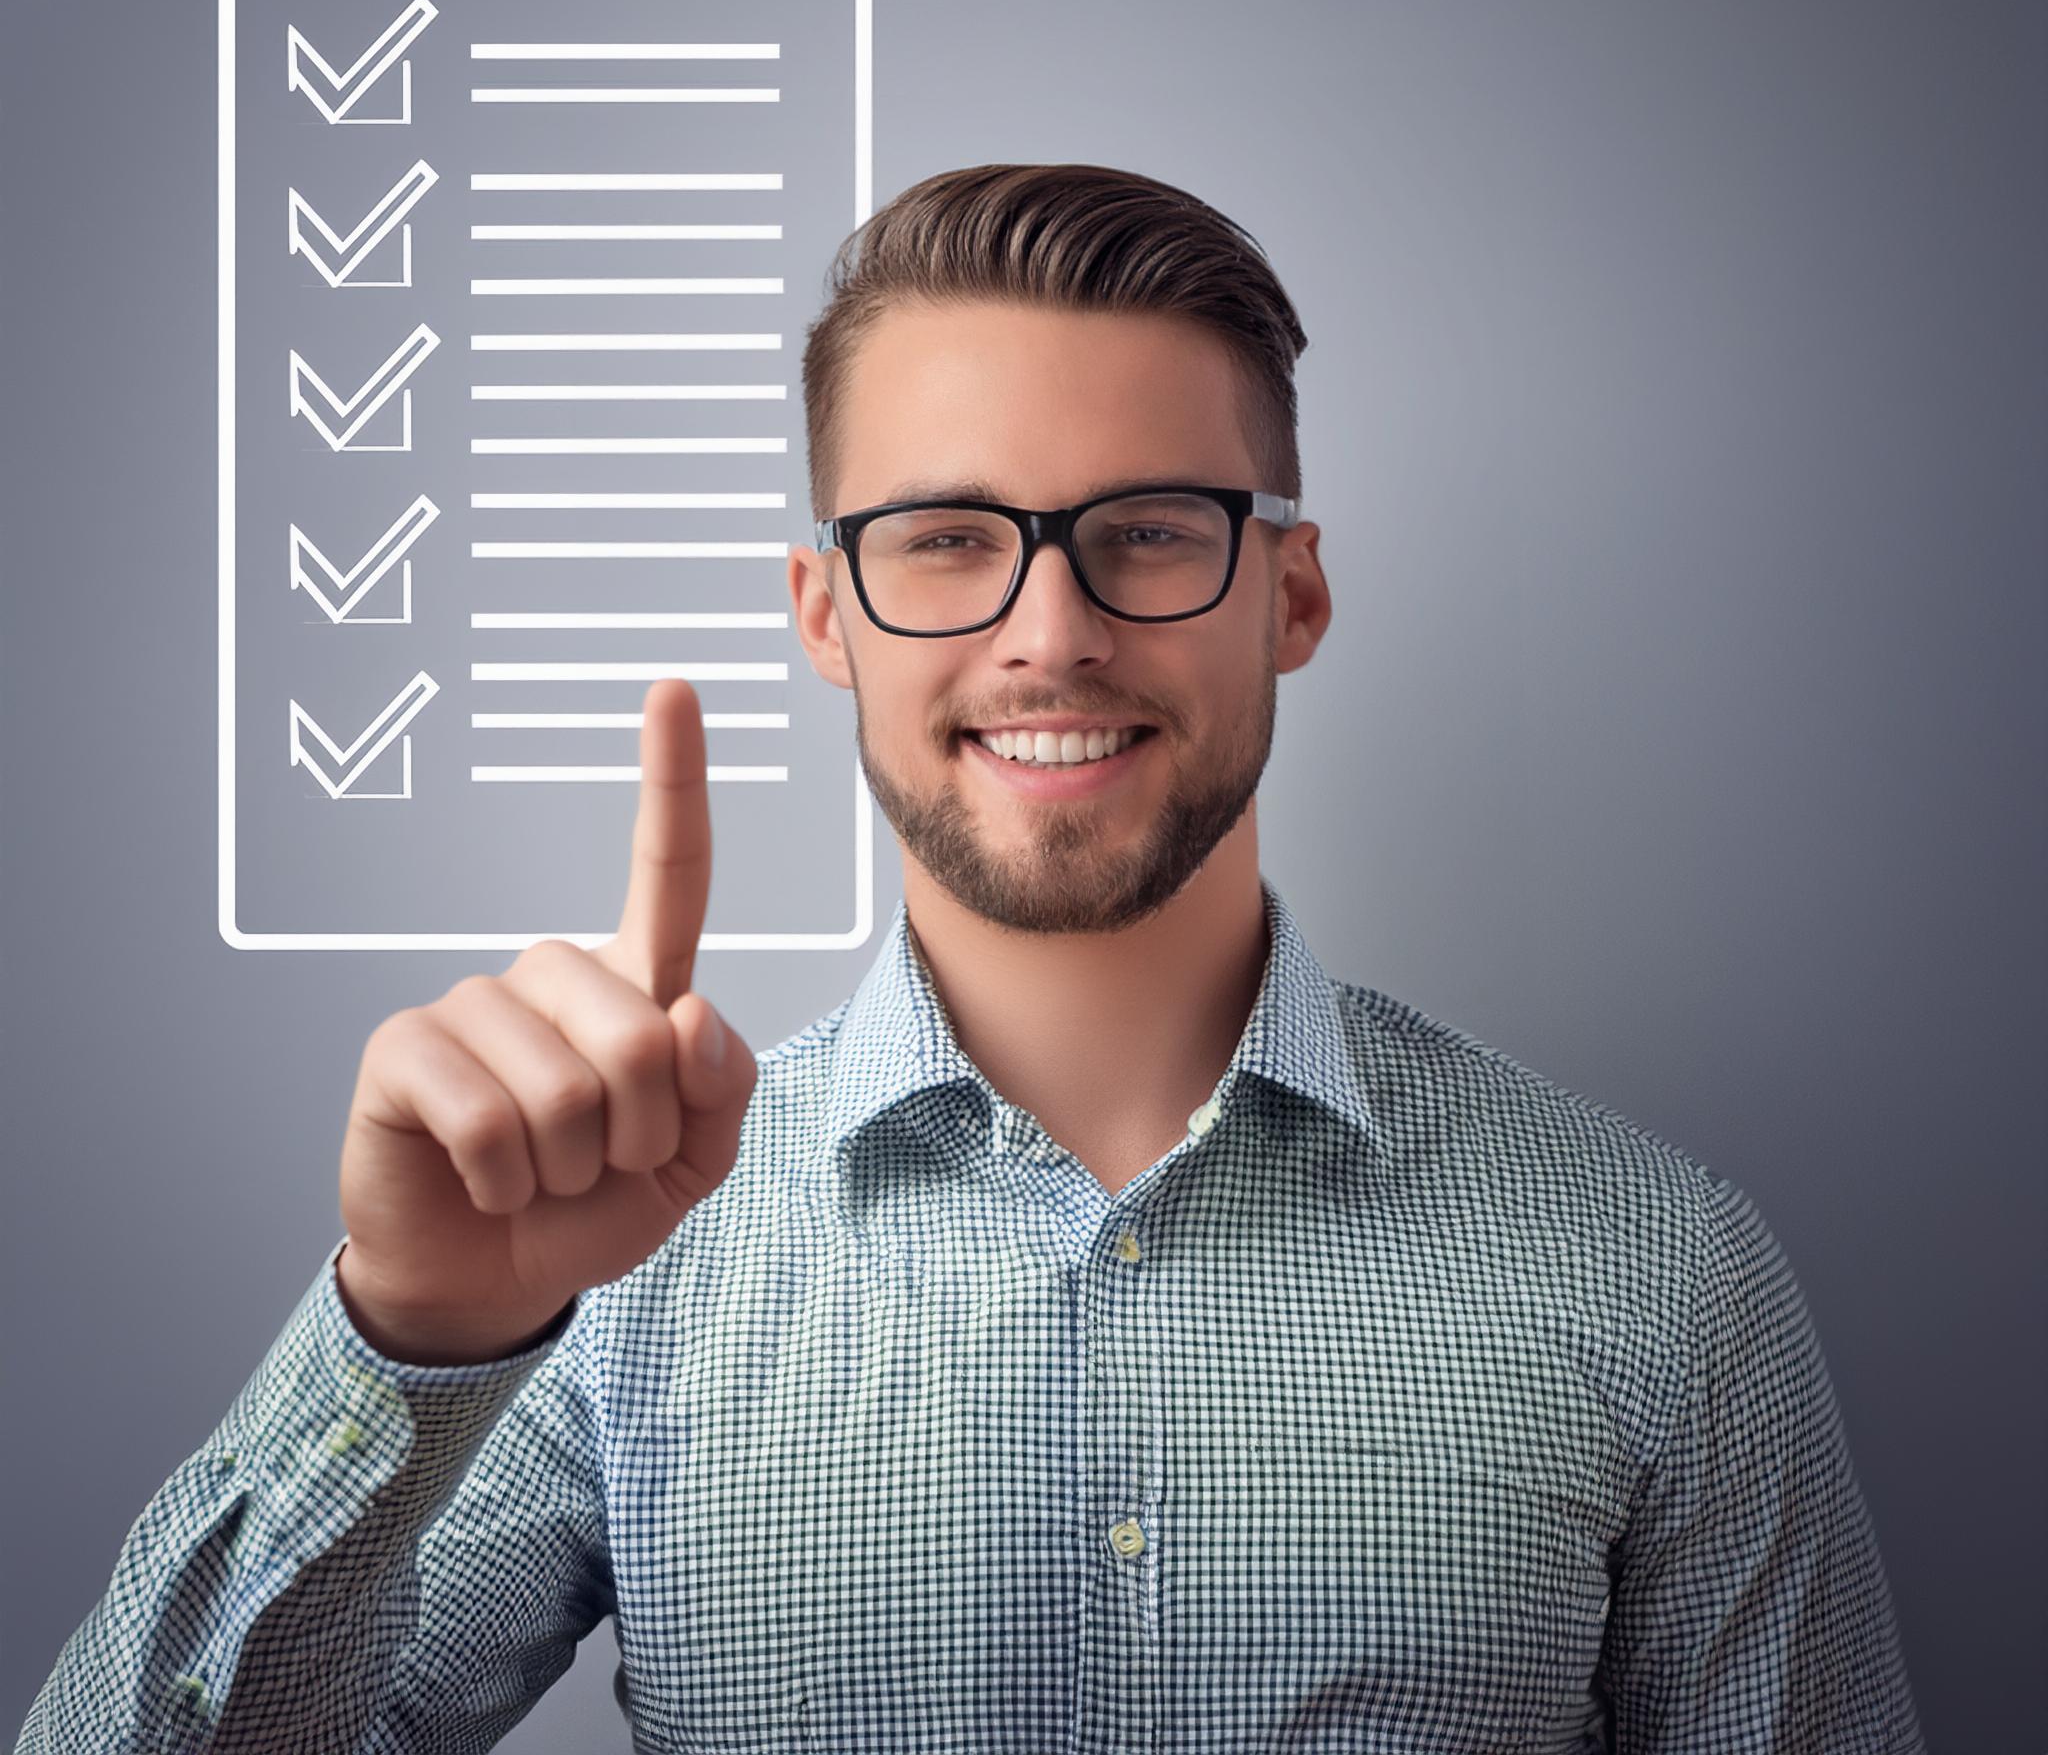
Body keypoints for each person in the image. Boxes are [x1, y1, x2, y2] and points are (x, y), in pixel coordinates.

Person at [18, 163, 1925, 1753]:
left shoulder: (1656, 1276)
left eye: (1148, 532)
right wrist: (412, 1340)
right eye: (945, 541)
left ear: (1295, 590)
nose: (1050, 631)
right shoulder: (613, 1264)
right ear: (827, 611)